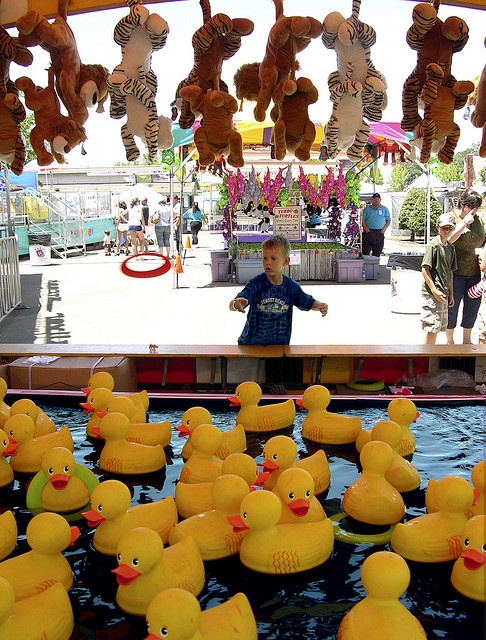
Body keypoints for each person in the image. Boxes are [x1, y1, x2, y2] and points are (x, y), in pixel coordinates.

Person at [229, 235, 328, 345]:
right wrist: (235, 304)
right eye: (265, 258)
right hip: (251, 346)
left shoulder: (291, 287)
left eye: (273, 258)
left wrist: (319, 306)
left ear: (286, 261)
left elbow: (308, 302)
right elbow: (237, 301)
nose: (268, 262)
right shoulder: (255, 284)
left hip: (280, 348)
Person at [445, 189, 485, 344]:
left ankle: (467, 341)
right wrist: (463, 223)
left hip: (474, 272)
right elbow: (448, 239)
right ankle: (450, 341)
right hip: (455, 272)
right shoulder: (451, 218)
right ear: (463, 205)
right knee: (452, 306)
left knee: (472, 306)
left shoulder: (479, 221)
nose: (474, 211)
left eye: (477, 207)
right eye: (471, 206)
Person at [420, 213, 458, 345]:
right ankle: (425, 358)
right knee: (431, 327)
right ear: (438, 227)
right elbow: (425, 269)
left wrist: (451, 294)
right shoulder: (433, 245)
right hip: (432, 294)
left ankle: (430, 357)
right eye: (444, 228)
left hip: (444, 293)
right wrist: (434, 290)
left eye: (450, 228)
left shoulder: (451, 248)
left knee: (439, 327)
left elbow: (451, 272)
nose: (447, 231)